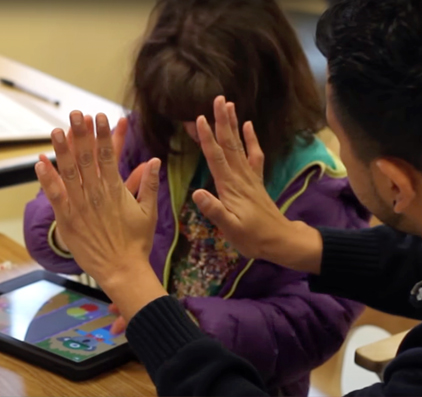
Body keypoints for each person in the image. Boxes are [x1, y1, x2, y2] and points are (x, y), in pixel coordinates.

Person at [35, 0, 422, 395]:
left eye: (339, 138)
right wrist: (293, 242)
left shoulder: (313, 184)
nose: (191, 132)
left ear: (395, 185)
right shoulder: (148, 137)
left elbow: (308, 325)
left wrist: (130, 281)